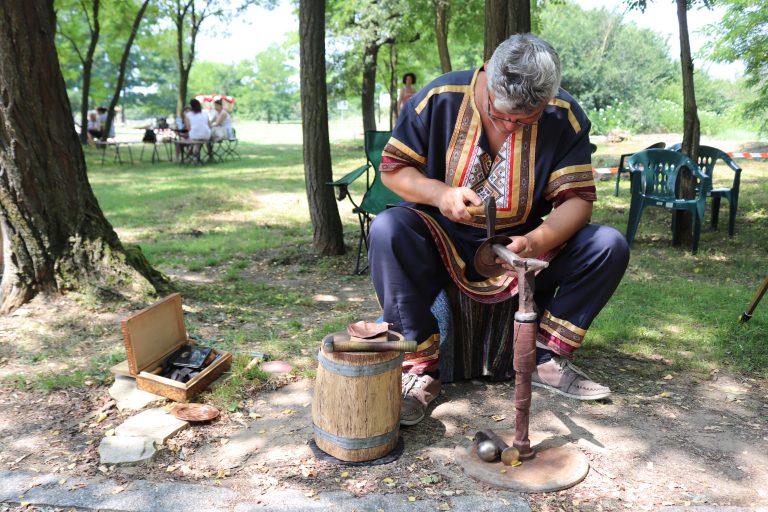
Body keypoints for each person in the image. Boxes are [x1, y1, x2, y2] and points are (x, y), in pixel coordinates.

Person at [369, 34, 630, 426]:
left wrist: (535, 241)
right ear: (487, 75)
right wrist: (441, 194)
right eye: (500, 114)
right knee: (389, 229)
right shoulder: (439, 98)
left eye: (526, 121)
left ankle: (545, 357)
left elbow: (577, 200)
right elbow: (393, 171)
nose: (509, 128)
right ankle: (419, 368)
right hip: (442, 244)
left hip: (521, 252)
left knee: (608, 244)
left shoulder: (564, 115)